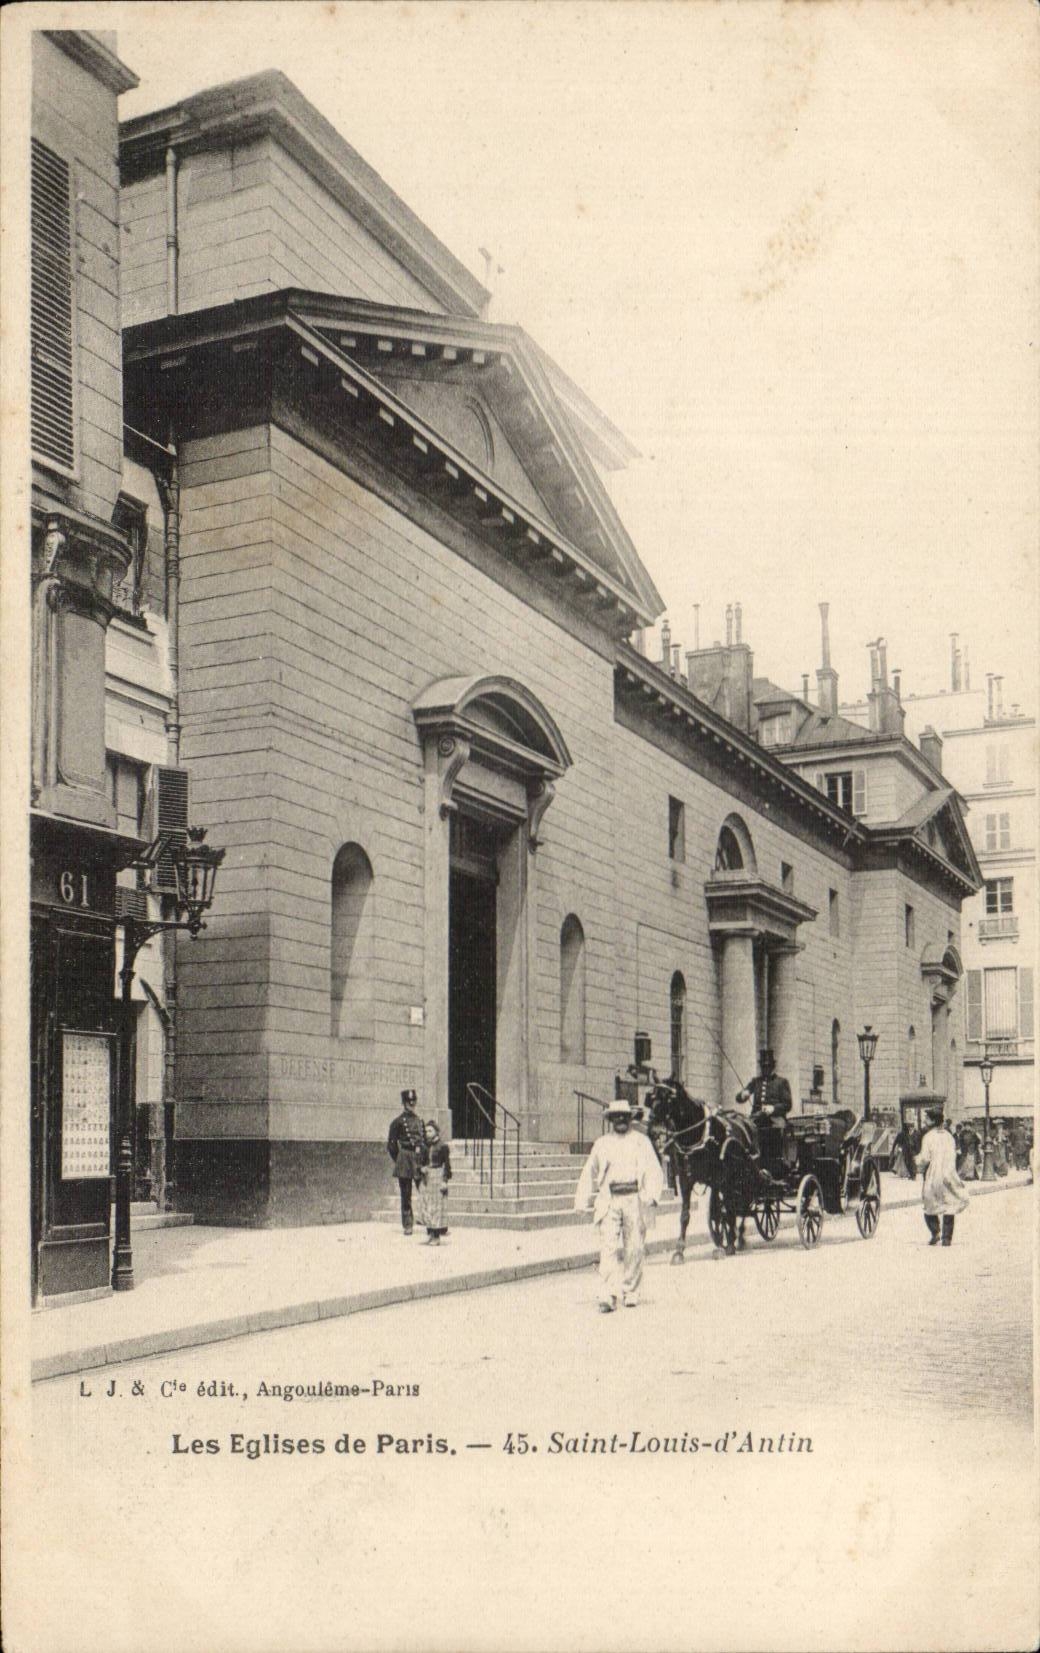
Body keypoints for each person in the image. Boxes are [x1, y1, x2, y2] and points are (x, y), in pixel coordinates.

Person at [574, 1098, 664, 1312]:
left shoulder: (641, 1142)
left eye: (625, 1116)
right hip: (610, 1200)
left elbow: (653, 1170)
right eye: (617, 1117)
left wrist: (652, 1194)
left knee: (634, 1247)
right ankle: (608, 1294)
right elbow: (589, 1172)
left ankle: (631, 1291)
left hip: (634, 1198)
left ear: (630, 1119)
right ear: (611, 1120)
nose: (621, 1120)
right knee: (608, 1247)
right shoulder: (602, 1143)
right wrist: (581, 1199)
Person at [915, 1107, 968, 1247]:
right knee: (949, 1205)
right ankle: (947, 1238)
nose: (925, 1120)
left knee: (929, 1204)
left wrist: (916, 1160)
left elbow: (925, 1158)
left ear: (933, 1121)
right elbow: (955, 1154)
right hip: (949, 1173)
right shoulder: (949, 1136)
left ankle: (935, 1232)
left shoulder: (928, 1137)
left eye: (927, 1118)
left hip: (934, 1175)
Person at [387, 1088, 427, 1236]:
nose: (412, 1104)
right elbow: (391, 1145)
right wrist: (400, 1159)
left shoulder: (419, 1121)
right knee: (406, 1194)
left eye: (414, 1101)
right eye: (409, 1102)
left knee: (425, 1191)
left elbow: (424, 1142)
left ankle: (430, 1220)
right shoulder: (397, 1122)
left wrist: (424, 1159)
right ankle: (408, 1224)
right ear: (404, 1103)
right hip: (405, 1158)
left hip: (418, 1159)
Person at [416, 1120, 452, 1244]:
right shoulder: (424, 1146)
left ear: (436, 1132)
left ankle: (436, 1236)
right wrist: (422, 1168)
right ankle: (430, 1233)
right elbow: (420, 1161)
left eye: (430, 1130)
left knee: (436, 1207)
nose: (427, 1133)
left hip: (438, 1175)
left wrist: (444, 1181)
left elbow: (447, 1165)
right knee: (427, 1205)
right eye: (426, 1131)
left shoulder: (442, 1146)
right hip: (427, 1178)